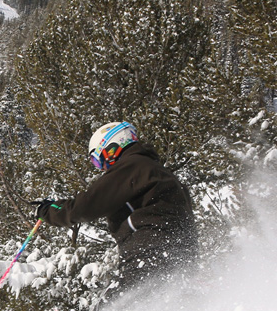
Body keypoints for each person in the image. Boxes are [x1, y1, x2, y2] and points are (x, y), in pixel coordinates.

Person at [35, 121, 197, 297]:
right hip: (177, 254)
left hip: (148, 250)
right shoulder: (155, 171)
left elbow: (86, 206)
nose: (102, 167)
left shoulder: (132, 166)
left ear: (113, 146)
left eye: (98, 159)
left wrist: (49, 210)